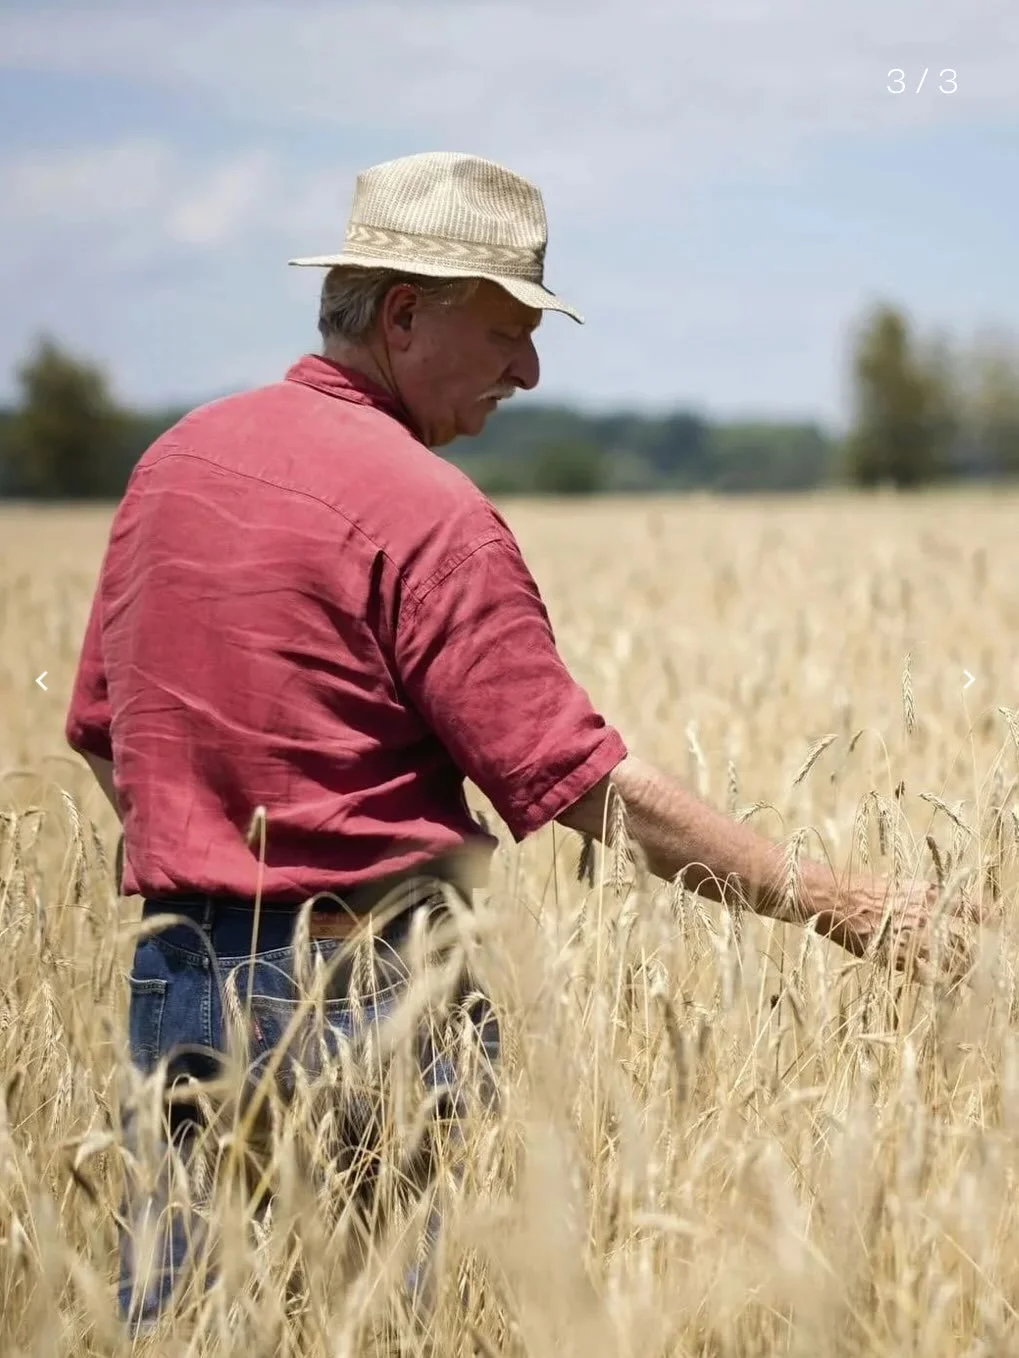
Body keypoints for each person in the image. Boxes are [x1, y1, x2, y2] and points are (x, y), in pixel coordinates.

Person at [66, 150, 960, 1331]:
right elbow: (584, 784)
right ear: (401, 315)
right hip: (365, 990)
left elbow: (101, 735)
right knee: (379, 1326)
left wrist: (224, 875)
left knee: (184, 1322)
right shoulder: (427, 514)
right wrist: (842, 902)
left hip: (177, 978)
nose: (528, 371)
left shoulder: (171, 465)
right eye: (507, 332)